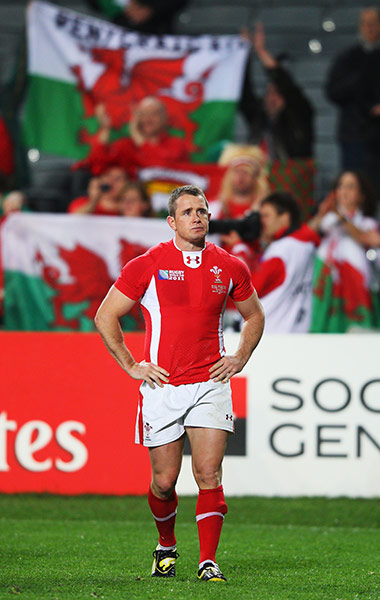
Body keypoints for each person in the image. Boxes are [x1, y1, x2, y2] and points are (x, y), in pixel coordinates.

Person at [94, 184, 264, 581]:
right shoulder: (147, 264)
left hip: (210, 384)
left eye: (202, 211)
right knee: (164, 481)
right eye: (187, 212)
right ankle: (166, 545)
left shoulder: (231, 265)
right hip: (163, 388)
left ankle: (208, 562)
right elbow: (106, 316)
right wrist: (132, 365)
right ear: (171, 222)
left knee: (208, 473)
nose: (197, 217)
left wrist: (239, 356)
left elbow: (254, 315)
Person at [311, 170, 380, 332]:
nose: (344, 191)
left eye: (350, 187)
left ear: (362, 195)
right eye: (340, 186)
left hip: (357, 289)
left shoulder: (367, 222)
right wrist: (322, 213)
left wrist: (340, 217)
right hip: (327, 287)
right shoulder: (327, 220)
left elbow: (362, 238)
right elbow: (308, 234)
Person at [240, 22, 314, 161]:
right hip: (260, 175)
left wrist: (261, 51)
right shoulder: (259, 117)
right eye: (269, 93)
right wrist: (243, 53)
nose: (272, 98)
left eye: (278, 93)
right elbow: (244, 93)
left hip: (290, 176)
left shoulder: (300, 114)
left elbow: (286, 85)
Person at [325, 8, 380, 185]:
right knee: (355, 185)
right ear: (360, 27)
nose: (371, 28)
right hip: (355, 135)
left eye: (375, 23)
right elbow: (333, 92)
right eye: (367, 24)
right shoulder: (347, 58)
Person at [83, 97, 189, 175]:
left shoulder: (177, 144)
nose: (148, 119)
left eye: (154, 114)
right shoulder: (126, 145)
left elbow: (159, 167)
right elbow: (97, 166)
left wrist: (135, 133)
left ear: (165, 118)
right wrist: (105, 129)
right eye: (143, 115)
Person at [215, 144, 269, 219]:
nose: (241, 177)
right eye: (237, 172)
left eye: (246, 172)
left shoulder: (265, 207)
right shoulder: (218, 206)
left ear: (255, 178)